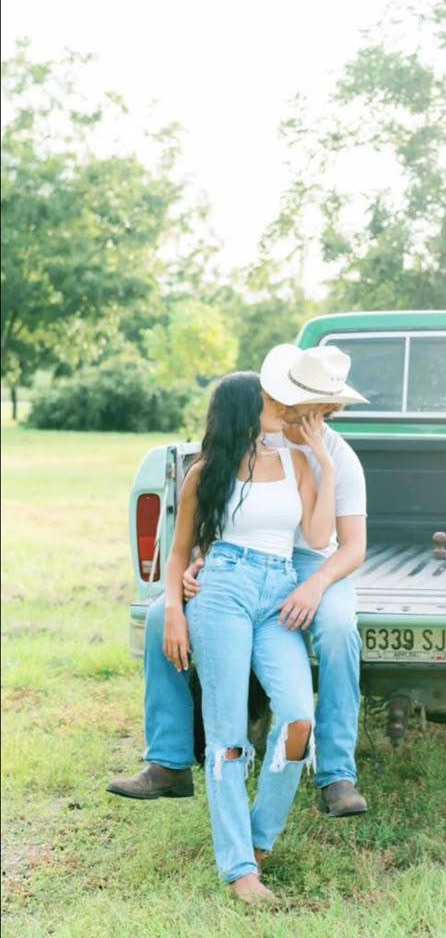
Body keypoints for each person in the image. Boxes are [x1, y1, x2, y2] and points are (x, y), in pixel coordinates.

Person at [107, 344, 370, 820]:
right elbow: (227, 508)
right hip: (238, 562)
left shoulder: (338, 457)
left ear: (328, 407)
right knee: (156, 620)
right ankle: (168, 761)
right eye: (289, 394)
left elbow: (350, 545)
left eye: (308, 401)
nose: (291, 407)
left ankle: (336, 774)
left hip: (314, 563)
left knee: (337, 632)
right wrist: (202, 559)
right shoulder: (256, 430)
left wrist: (315, 586)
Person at [152, 369, 334, 900]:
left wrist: (322, 458)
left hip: (278, 594)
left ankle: (257, 840)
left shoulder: (297, 461)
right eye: (269, 398)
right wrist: (173, 611)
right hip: (222, 591)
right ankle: (240, 872)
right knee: (227, 733)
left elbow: (320, 535)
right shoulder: (205, 474)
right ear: (243, 408)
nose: (280, 405)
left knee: (299, 716)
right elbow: (179, 551)